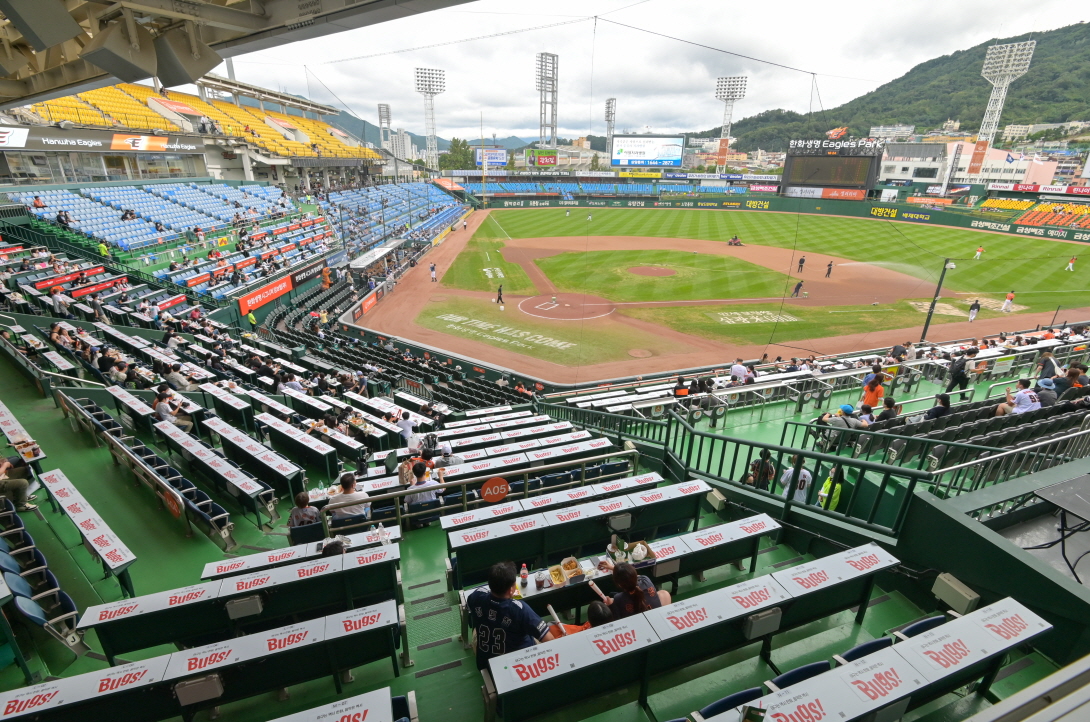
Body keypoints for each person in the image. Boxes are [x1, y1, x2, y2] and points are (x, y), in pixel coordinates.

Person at [466, 562, 557, 669]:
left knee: (476, 630)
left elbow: (472, 606)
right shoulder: (520, 609)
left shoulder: (476, 596)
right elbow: (550, 641)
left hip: (485, 664)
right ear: (511, 590)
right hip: (518, 667)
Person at [596, 561, 671, 620]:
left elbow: (617, 617)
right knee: (664, 593)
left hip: (637, 626)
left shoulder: (619, 598)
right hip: (656, 618)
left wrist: (611, 604)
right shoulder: (645, 580)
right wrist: (614, 568)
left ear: (619, 585)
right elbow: (632, 576)